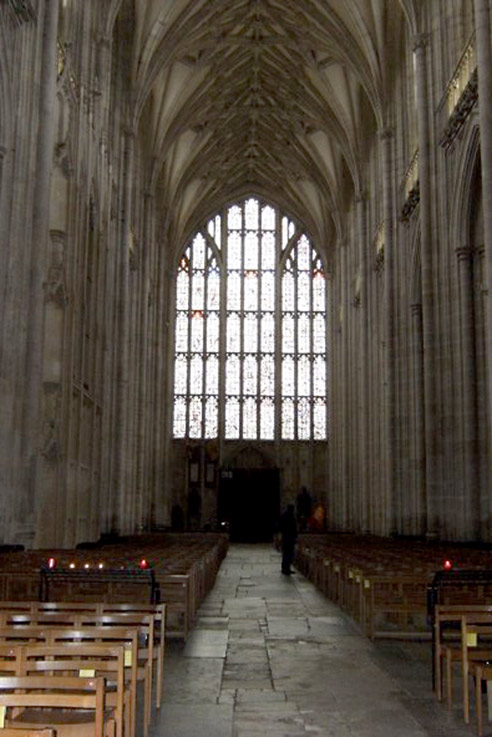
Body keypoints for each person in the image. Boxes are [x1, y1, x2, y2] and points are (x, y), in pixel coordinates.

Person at [279, 504, 298, 575]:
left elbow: (280, 526)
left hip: (286, 537)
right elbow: (294, 527)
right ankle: (286, 568)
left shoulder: (285, 516)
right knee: (288, 554)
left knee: (286, 554)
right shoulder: (291, 517)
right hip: (289, 538)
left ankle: (285, 568)